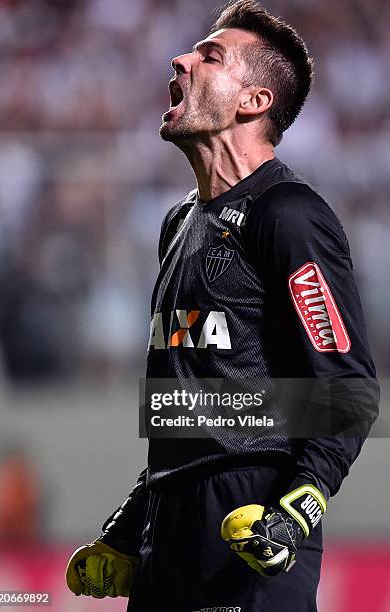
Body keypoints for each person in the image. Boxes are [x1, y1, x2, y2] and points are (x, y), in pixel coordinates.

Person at [66, 1, 379, 610]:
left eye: (210, 56)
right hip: (167, 532)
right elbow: (190, 412)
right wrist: (130, 530)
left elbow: (348, 393)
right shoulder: (179, 223)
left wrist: (293, 514)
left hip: (253, 531)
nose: (180, 60)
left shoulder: (289, 216)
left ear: (253, 100)